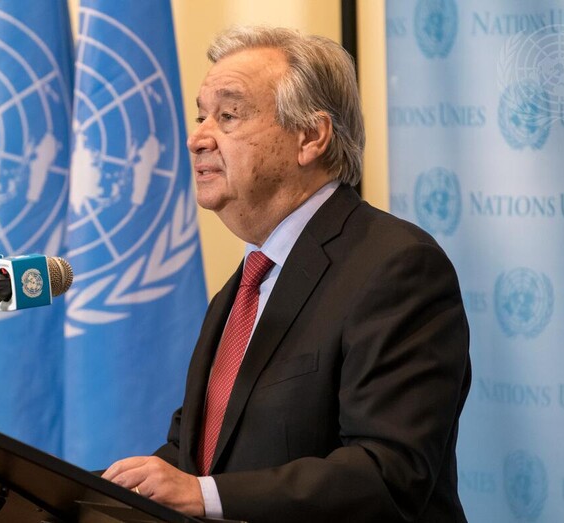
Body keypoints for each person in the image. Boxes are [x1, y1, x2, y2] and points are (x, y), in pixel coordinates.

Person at [102, 26, 471, 523]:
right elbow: (203, 456)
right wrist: (111, 494)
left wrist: (201, 495)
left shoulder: (397, 267)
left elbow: (388, 473)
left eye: (228, 115)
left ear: (310, 137)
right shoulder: (240, 288)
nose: (196, 138)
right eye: (200, 115)